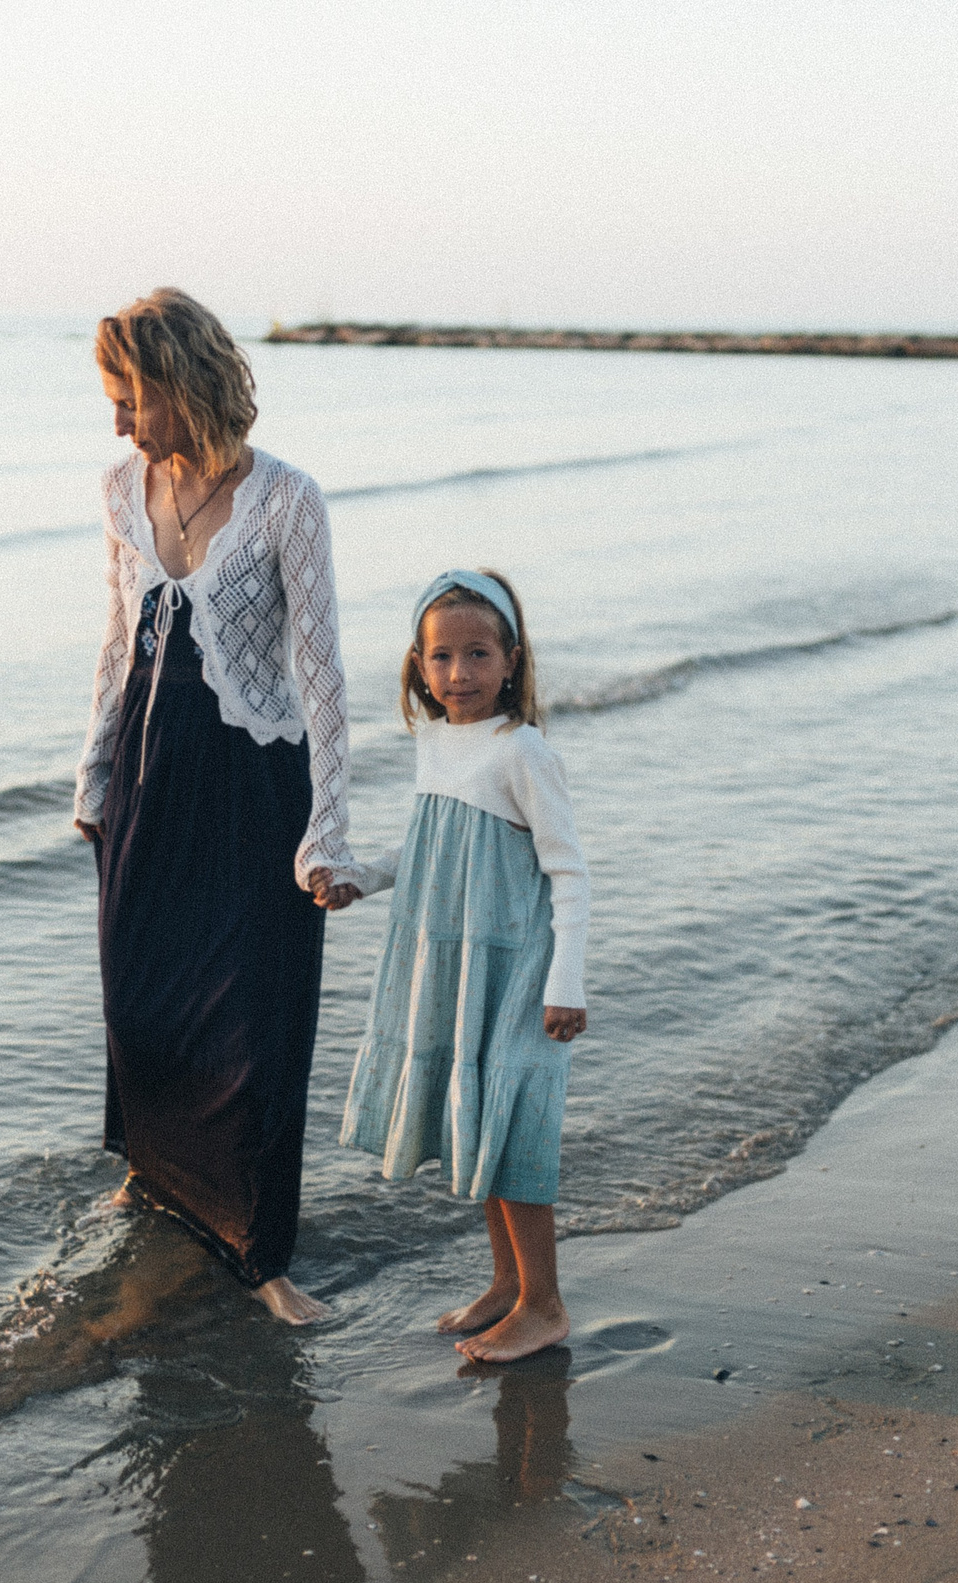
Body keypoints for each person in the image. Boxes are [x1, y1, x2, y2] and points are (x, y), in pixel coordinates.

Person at [74, 288, 349, 1326]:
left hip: (251, 782)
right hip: (147, 767)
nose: (118, 422)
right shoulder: (118, 487)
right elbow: (116, 643)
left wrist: (329, 827)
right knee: (140, 1002)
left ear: (181, 385)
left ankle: (260, 1253)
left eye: (129, 398)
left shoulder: (287, 499)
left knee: (255, 1019)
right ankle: (158, 1183)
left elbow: (319, 669)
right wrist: (93, 774)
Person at [320, 569, 590, 1363]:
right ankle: (507, 1284)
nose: (459, 674)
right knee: (479, 1122)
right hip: (450, 960)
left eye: (478, 654)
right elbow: (435, 844)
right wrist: (363, 877)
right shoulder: (435, 742)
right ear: (418, 665)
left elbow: (568, 870)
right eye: (442, 658)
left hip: (516, 969)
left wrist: (565, 982)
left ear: (511, 660)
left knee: (514, 1129)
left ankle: (545, 1304)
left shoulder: (522, 751)